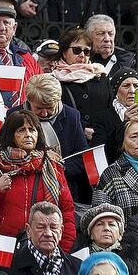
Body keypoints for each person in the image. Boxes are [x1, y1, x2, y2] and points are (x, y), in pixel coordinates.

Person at [0, 110, 77, 251]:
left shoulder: (51, 165)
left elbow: (66, 211)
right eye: (21, 130)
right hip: (2, 246)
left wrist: (64, 249)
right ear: (11, 135)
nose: (28, 134)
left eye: (32, 130)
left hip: (44, 247)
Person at [13, 74, 90, 204]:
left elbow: (81, 157)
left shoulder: (72, 116)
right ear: (29, 100)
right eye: (38, 108)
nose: (44, 113)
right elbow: (5, 151)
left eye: (49, 108)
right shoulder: (14, 116)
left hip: (62, 188)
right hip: (24, 189)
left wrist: (56, 168)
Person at [51, 27, 111, 146]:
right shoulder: (53, 80)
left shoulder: (101, 77)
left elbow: (109, 111)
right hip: (67, 143)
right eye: (76, 50)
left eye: (87, 51)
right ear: (64, 52)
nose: (82, 55)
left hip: (98, 143)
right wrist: (81, 129)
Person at [92, 117, 138, 220]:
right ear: (123, 142)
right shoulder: (110, 174)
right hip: (125, 235)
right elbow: (99, 215)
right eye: (134, 137)